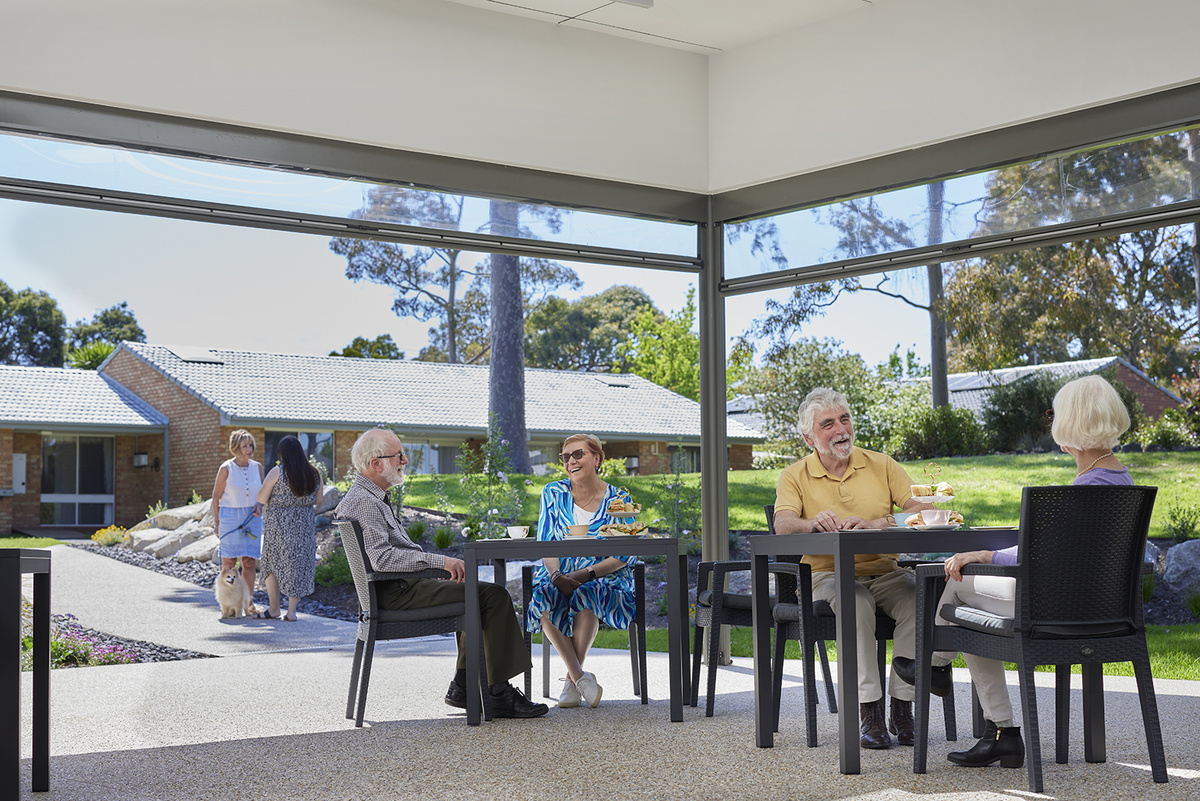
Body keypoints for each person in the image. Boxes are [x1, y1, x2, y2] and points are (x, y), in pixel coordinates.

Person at [893, 374, 1133, 769]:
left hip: (1052, 610)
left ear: (1070, 423)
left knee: (959, 584)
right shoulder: (1121, 481)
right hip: (1100, 612)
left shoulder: (1086, 487)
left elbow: (1039, 554)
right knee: (969, 610)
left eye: (1056, 414)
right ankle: (967, 700)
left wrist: (984, 554)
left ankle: (947, 677)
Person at [334, 428, 548, 719]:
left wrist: (431, 568)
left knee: (474, 593)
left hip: (400, 588)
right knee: (492, 596)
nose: (405, 461)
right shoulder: (364, 501)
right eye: (399, 455)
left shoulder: (369, 496)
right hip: (397, 593)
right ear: (375, 463)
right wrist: (440, 562)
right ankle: (497, 693)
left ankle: (464, 687)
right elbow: (382, 559)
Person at [772, 387, 936, 749]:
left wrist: (877, 524)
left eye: (844, 419)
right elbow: (782, 525)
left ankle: (902, 709)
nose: (840, 429)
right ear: (809, 438)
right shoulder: (794, 475)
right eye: (828, 424)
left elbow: (924, 511)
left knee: (919, 600)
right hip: (826, 576)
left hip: (886, 572)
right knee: (856, 600)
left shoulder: (882, 464)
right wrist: (812, 523)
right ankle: (870, 712)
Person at [525, 434, 637, 709]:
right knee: (544, 595)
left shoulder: (619, 498)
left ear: (597, 458)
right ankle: (579, 677)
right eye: (565, 457)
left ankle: (570, 680)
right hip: (559, 571)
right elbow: (547, 544)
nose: (570, 462)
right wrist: (556, 576)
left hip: (604, 576)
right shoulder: (553, 493)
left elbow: (625, 553)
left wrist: (585, 574)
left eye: (578, 454)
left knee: (587, 593)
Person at [255, 435, 323, 621]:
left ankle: (274, 609)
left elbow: (261, 498)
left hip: (278, 528)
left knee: (271, 565)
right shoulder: (314, 474)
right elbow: (318, 500)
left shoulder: (277, 472)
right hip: (304, 529)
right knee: (298, 566)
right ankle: (291, 612)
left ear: (282, 454)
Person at [212, 429, 265, 612]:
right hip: (230, 519)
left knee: (249, 562)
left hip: (252, 519)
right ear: (235, 448)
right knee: (229, 564)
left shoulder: (258, 467)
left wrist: (260, 504)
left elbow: (264, 493)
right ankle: (229, 604)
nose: (249, 449)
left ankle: (248, 604)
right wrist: (217, 524)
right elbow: (216, 497)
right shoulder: (226, 468)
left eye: (251, 446)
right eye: (244, 446)